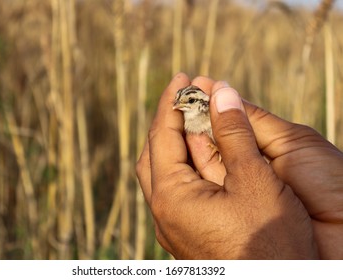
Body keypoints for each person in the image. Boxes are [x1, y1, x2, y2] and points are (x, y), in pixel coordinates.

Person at [136, 73, 343, 259]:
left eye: (189, 101)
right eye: (180, 101)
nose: (181, 105)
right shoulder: (189, 122)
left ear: (200, 104)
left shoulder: (209, 112)